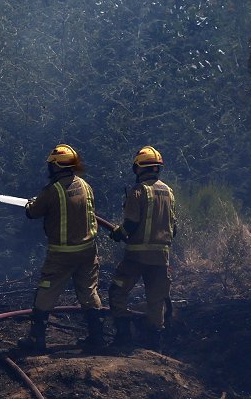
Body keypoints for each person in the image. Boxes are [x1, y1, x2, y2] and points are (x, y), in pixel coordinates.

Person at [19, 144, 104, 352]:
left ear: (57, 166)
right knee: (89, 292)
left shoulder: (53, 190)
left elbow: (33, 212)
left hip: (62, 255)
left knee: (46, 292)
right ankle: (97, 338)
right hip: (88, 251)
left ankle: (37, 340)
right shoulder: (85, 185)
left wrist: (31, 204)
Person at [107, 146, 176, 349]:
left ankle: (123, 337)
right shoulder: (169, 192)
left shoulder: (138, 191)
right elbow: (174, 228)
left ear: (138, 168)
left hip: (136, 257)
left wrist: (118, 233)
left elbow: (130, 223)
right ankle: (154, 344)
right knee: (156, 299)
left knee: (117, 291)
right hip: (161, 257)